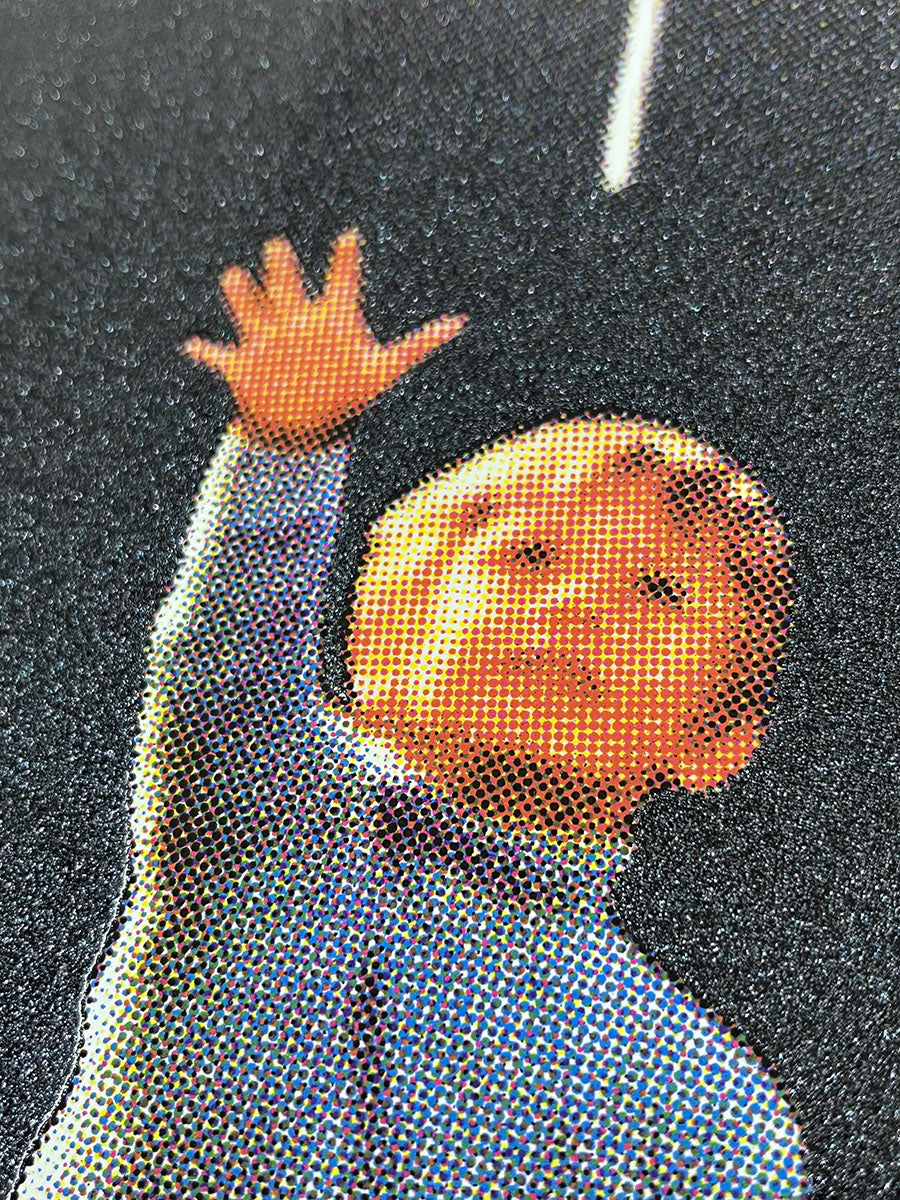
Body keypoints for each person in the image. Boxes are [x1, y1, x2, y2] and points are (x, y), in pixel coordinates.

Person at [19, 229, 806, 1198]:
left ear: (715, 740)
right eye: (529, 557)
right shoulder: (283, 820)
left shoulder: (707, 1106)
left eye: (660, 590)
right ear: (387, 625)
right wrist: (289, 450)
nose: (579, 606)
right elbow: (226, 679)